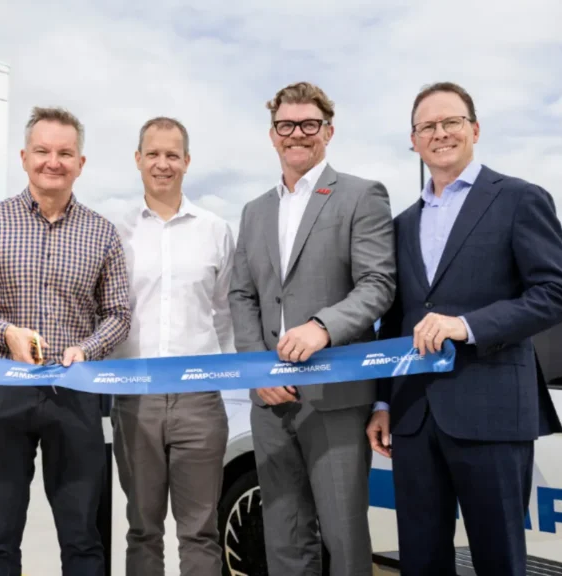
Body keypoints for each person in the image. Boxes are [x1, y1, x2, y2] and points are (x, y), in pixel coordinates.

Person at [366, 81, 562, 576]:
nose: (440, 133)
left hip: (492, 412)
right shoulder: (401, 224)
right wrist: (382, 403)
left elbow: (558, 292)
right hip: (414, 417)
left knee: (498, 559)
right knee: (420, 559)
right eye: (427, 126)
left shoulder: (520, 199)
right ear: (413, 141)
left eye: (451, 122)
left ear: (475, 129)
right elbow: (394, 320)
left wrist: (467, 325)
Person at [0, 106, 132, 576]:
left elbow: (119, 315)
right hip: (4, 389)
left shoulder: (102, 234)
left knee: (83, 539)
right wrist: (4, 332)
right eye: (42, 151)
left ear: (80, 163)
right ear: (24, 158)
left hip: (75, 392)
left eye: (65, 153)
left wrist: (87, 349)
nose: (53, 162)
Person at [228, 81, 396, 576]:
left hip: (335, 397)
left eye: (309, 124)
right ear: (272, 134)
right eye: (286, 125)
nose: (297, 134)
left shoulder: (362, 195)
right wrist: (257, 369)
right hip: (270, 399)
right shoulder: (254, 211)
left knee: (344, 539)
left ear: (328, 131)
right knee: (283, 537)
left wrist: (323, 327)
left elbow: (378, 284)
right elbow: (242, 295)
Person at [110, 117, 235, 576]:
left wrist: (219, 373)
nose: (163, 164)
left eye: (172, 155)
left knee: (200, 531)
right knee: (142, 529)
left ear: (187, 161)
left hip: (199, 401)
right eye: (154, 154)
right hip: (135, 398)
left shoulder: (216, 230)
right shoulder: (115, 230)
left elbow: (226, 312)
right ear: (138, 159)